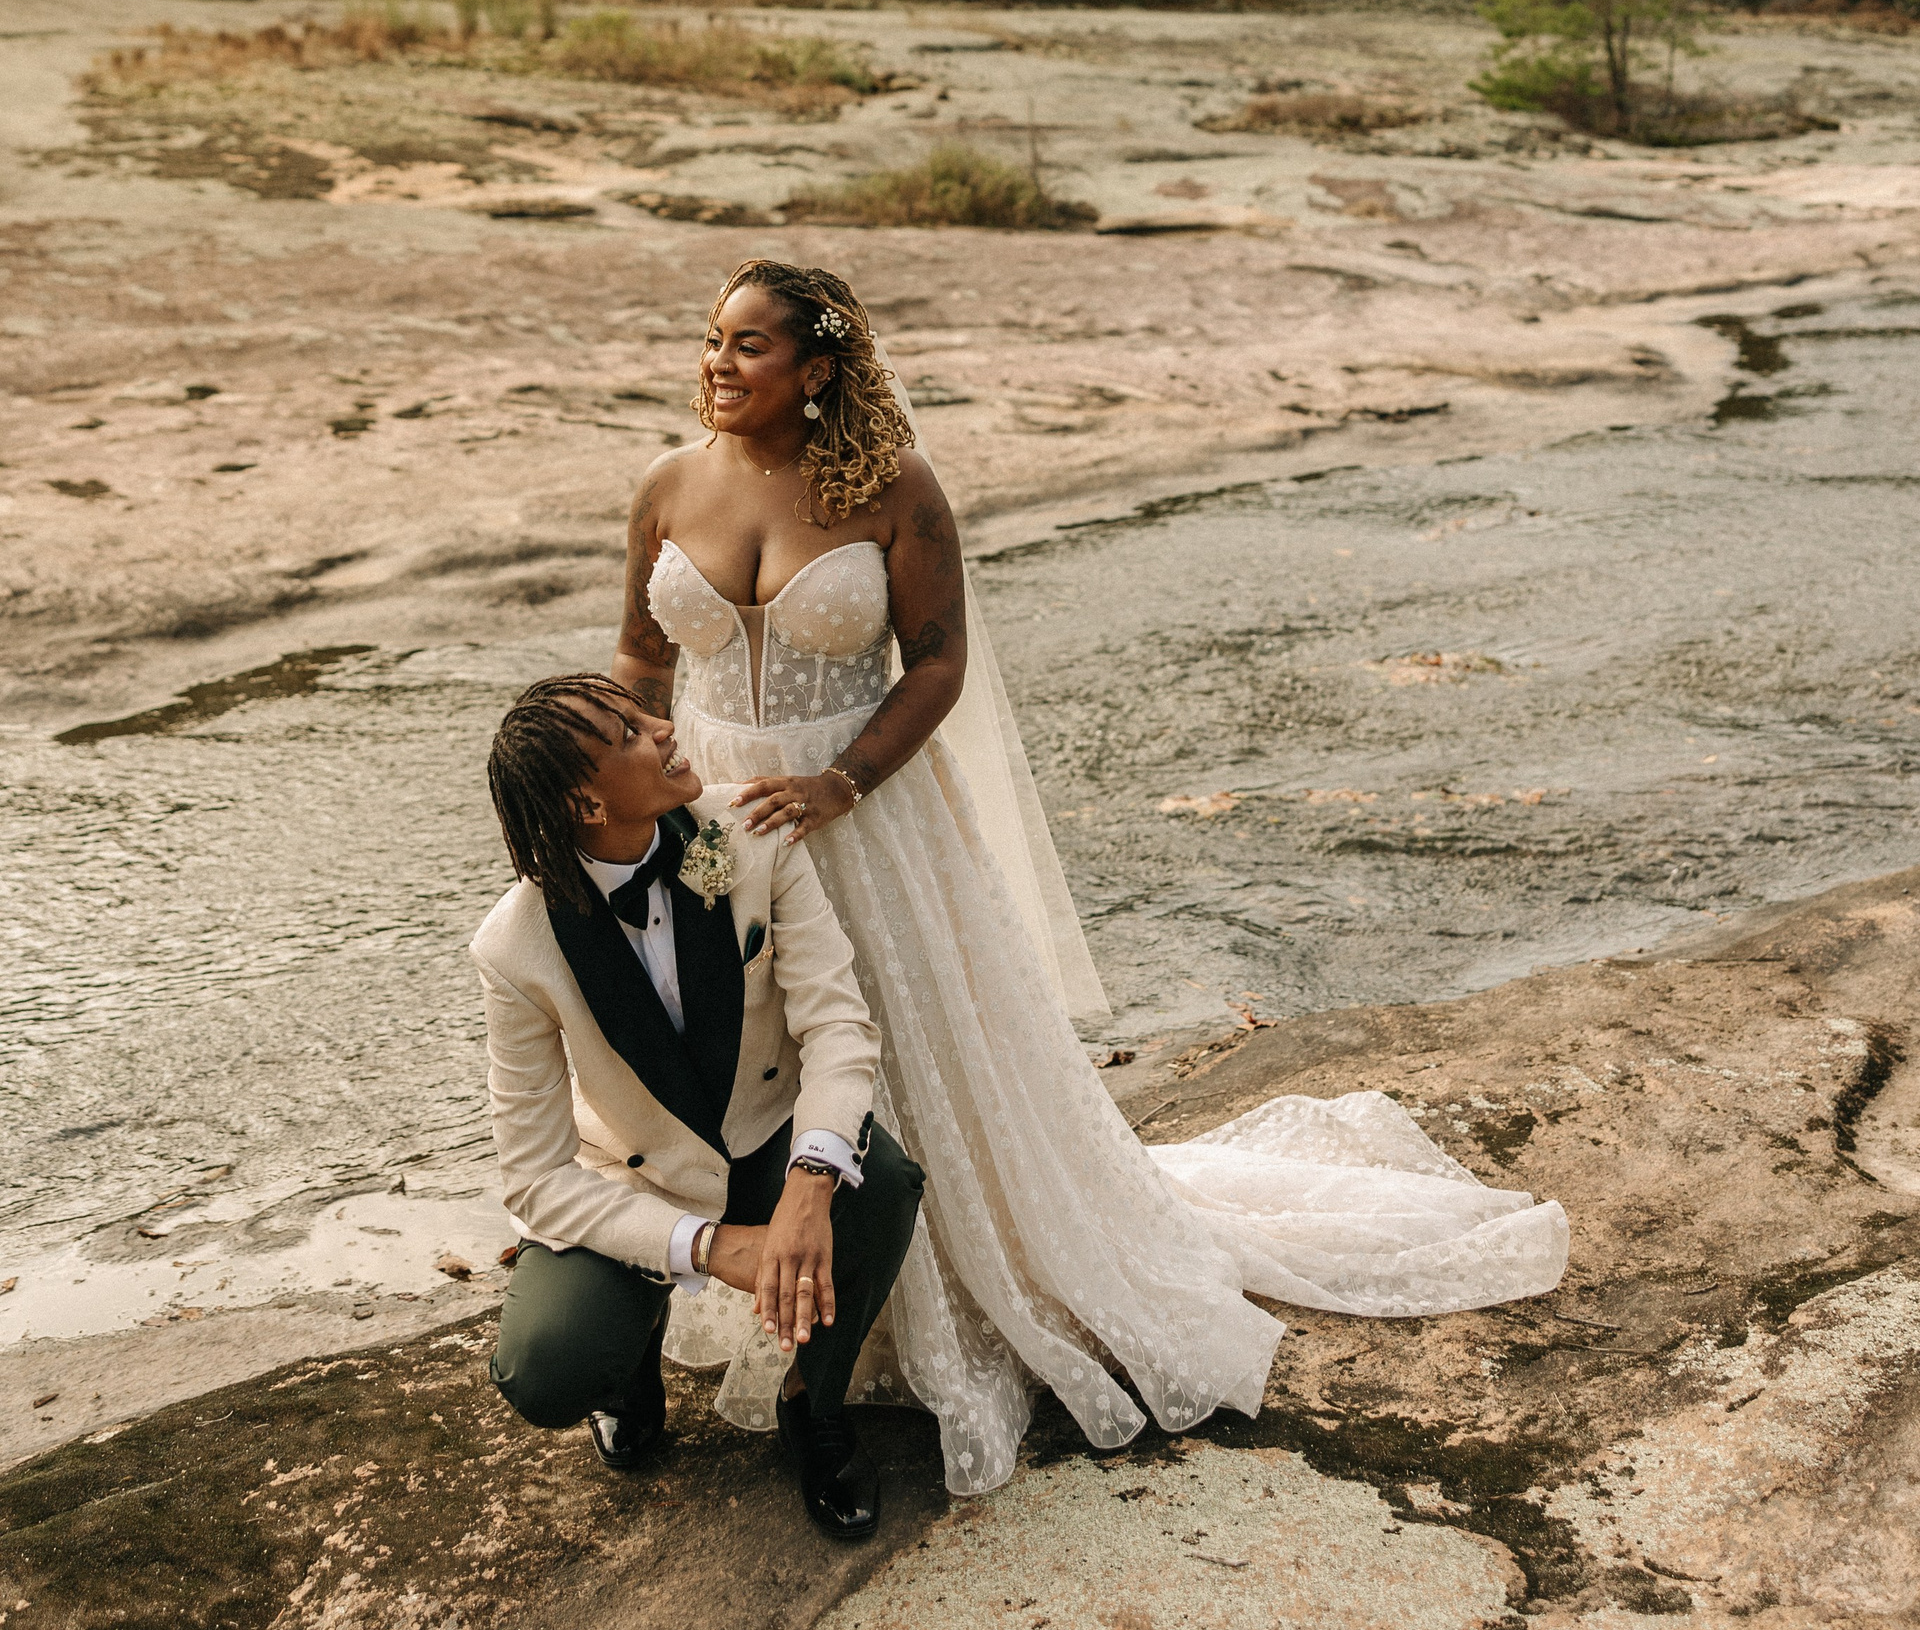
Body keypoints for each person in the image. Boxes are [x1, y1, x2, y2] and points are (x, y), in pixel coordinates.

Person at [610, 258, 1569, 1498]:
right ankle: (745, 1284)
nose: (717, 363)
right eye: (712, 339)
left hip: (865, 823)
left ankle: (874, 1333)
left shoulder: (897, 491)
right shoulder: (667, 485)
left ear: (819, 368)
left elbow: (937, 664)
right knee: (735, 1059)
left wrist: (843, 781)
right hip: (711, 827)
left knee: (896, 1058)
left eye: (748, 345)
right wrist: (638, 803)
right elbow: (638, 662)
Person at [472, 671, 924, 1539]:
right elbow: (534, 1179)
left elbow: (837, 1025)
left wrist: (809, 1185)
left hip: (765, 1135)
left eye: (644, 715)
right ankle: (627, 1370)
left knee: (885, 1188)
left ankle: (813, 1405)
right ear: (587, 805)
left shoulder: (751, 831)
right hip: (636, 1173)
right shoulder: (513, 947)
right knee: (547, 1367)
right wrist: (710, 1247)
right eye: (630, 734)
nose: (665, 727)